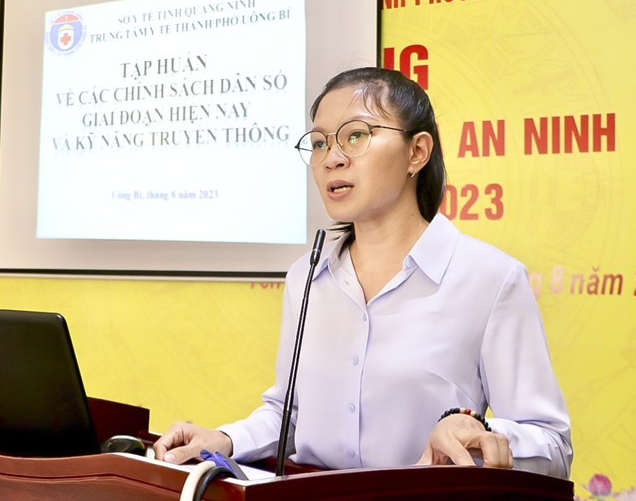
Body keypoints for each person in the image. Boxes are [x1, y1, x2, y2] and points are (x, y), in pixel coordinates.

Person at [153, 67, 573, 479]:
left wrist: (481, 432)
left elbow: (552, 444)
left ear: (417, 152)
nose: (331, 159)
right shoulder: (307, 276)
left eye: (355, 136)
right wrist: (225, 439)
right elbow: (290, 414)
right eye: (319, 143)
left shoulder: (489, 278)